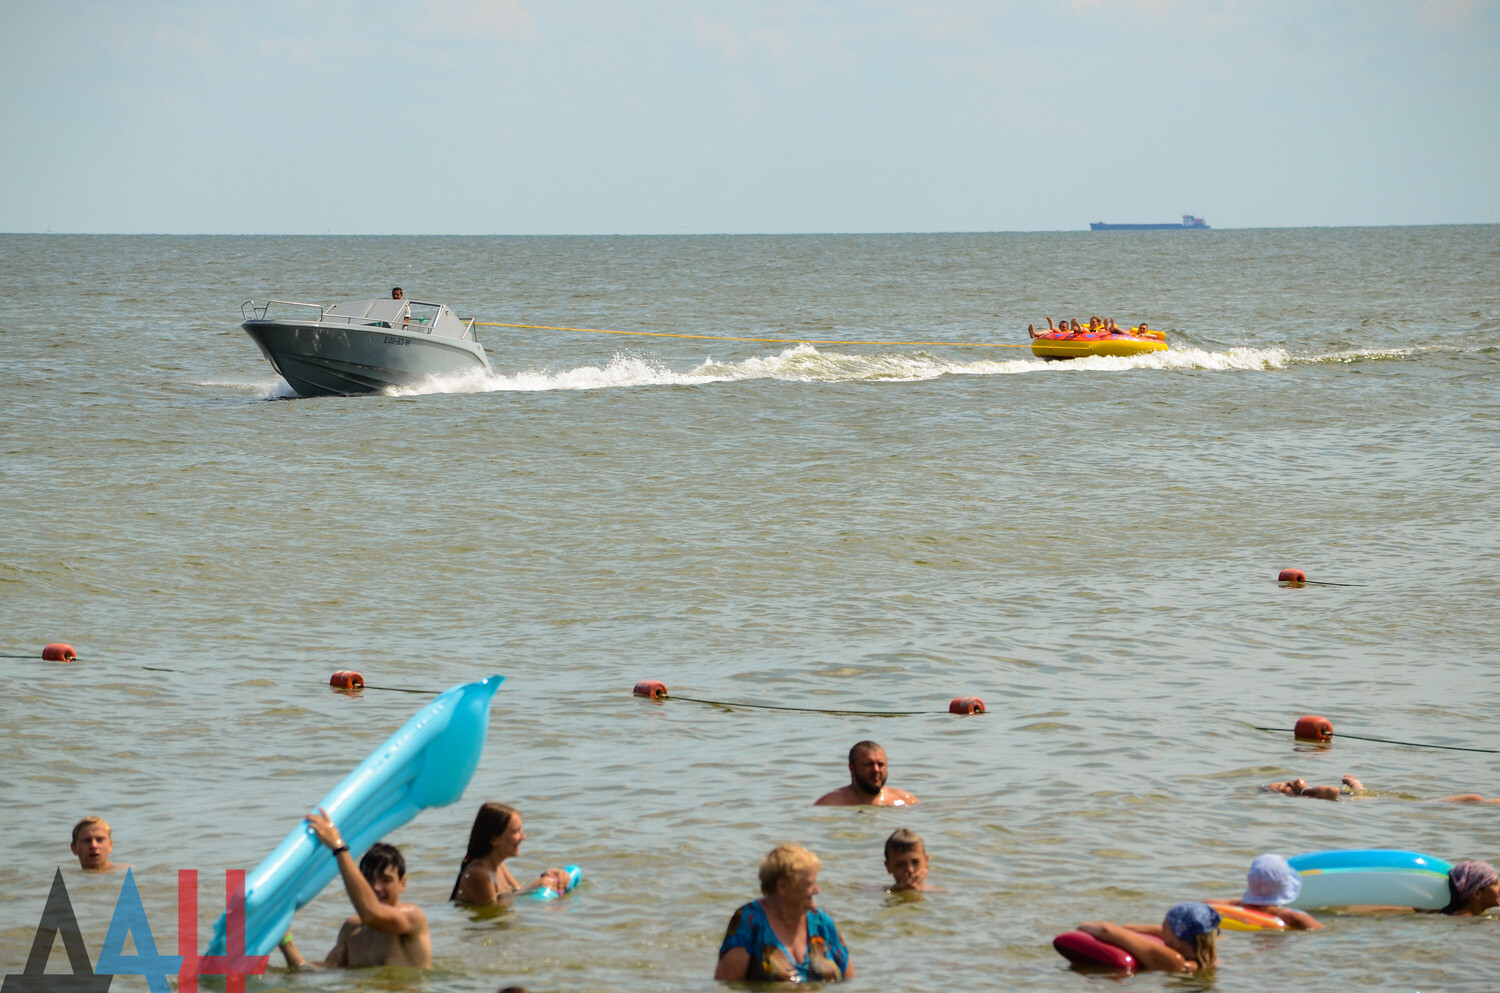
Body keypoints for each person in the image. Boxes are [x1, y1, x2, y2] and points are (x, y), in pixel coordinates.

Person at [278, 809, 431, 969]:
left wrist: (339, 848)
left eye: (386, 880)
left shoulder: (412, 919)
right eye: (368, 880)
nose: (376, 888)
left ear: (403, 883)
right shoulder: (352, 930)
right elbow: (319, 975)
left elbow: (373, 914)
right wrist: (285, 941)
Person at [714, 843, 852, 982]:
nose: (817, 890)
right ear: (783, 886)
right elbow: (727, 985)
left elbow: (851, 982)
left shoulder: (822, 923)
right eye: (810, 884)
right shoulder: (749, 921)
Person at [450, 802, 570, 903]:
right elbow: (494, 913)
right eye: (516, 831)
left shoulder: (498, 865)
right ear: (494, 839)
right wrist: (537, 886)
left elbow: (518, 892)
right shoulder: (479, 874)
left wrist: (547, 878)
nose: (523, 837)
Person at [1074, 902, 1219, 974]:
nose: (1161, 928)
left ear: (1177, 938)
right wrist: (1129, 929)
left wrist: (1083, 926)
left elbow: (1106, 931)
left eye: (1164, 925)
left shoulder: (1173, 961)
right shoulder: (1207, 955)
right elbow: (1134, 929)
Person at [1219, 854, 1323, 930]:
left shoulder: (1235, 905)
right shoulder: (1292, 917)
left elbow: (1207, 904)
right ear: (1284, 888)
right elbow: (1322, 933)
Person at [814, 741, 918, 807]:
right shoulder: (830, 804)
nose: (876, 770)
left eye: (880, 764)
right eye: (869, 764)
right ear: (852, 769)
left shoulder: (906, 800)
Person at [1263, 773, 1364, 801]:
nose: (1290, 783)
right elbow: (1332, 791)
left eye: (1285, 782)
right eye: (1283, 787)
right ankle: (1357, 784)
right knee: (1360, 795)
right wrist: (1303, 791)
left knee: (1360, 794)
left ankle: (1357, 785)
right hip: (1350, 799)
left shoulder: (1313, 794)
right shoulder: (1309, 795)